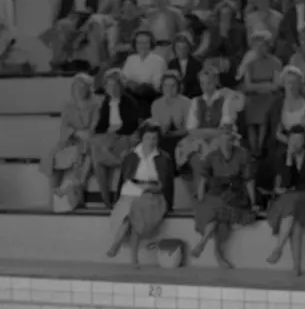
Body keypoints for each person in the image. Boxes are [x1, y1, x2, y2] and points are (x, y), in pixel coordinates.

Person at [190, 123, 256, 269]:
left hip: (235, 195)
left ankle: (202, 244)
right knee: (214, 216)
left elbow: (249, 180)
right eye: (224, 136)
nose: (227, 140)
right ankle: (217, 255)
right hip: (216, 193)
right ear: (219, 139)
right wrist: (201, 198)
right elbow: (203, 179)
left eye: (230, 137)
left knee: (219, 210)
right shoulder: (212, 156)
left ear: (233, 139)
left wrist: (254, 201)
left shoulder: (242, 154)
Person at [106, 124, 174, 265]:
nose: (151, 141)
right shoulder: (131, 156)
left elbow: (165, 184)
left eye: (154, 138)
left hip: (153, 194)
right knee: (129, 211)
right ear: (141, 138)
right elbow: (123, 180)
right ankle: (131, 256)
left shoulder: (164, 158)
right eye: (148, 137)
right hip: (132, 189)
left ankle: (118, 246)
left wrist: (155, 191)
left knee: (136, 210)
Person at [265, 124, 305, 275]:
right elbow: (286, 182)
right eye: (293, 139)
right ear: (288, 140)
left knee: (292, 206)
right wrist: (289, 160)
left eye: (299, 139)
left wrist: (294, 188)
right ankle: (296, 266)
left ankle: (279, 248)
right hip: (291, 201)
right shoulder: (284, 157)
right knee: (295, 225)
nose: (296, 143)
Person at [41, 73, 99, 212]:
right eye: (77, 87)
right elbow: (64, 127)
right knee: (54, 158)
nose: (79, 90)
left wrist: (81, 134)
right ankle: (53, 196)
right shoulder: (68, 105)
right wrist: (75, 132)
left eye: (83, 87)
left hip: (87, 141)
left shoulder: (95, 105)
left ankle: (74, 196)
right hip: (70, 139)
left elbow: (93, 128)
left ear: (88, 89)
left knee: (82, 157)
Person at [90, 70, 143, 206]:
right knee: (97, 155)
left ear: (121, 86)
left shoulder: (129, 101)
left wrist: (114, 130)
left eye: (115, 85)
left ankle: (117, 197)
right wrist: (106, 132)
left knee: (107, 148)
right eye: (109, 86)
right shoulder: (106, 102)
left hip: (124, 136)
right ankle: (105, 197)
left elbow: (131, 125)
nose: (112, 89)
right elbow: (101, 126)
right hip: (110, 137)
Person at [238, 29, 282, 160]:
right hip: (253, 95)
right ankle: (253, 148)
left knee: (266, 111)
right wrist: (265, 87)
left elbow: (277, 84)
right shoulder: (248, 63)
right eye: (257, 45)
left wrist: (263, 88)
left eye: (264, 45)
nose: (261, 48)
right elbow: (248, 85)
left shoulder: (276, 62)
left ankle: (261, 146)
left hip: (269, 96)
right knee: (251, 115)